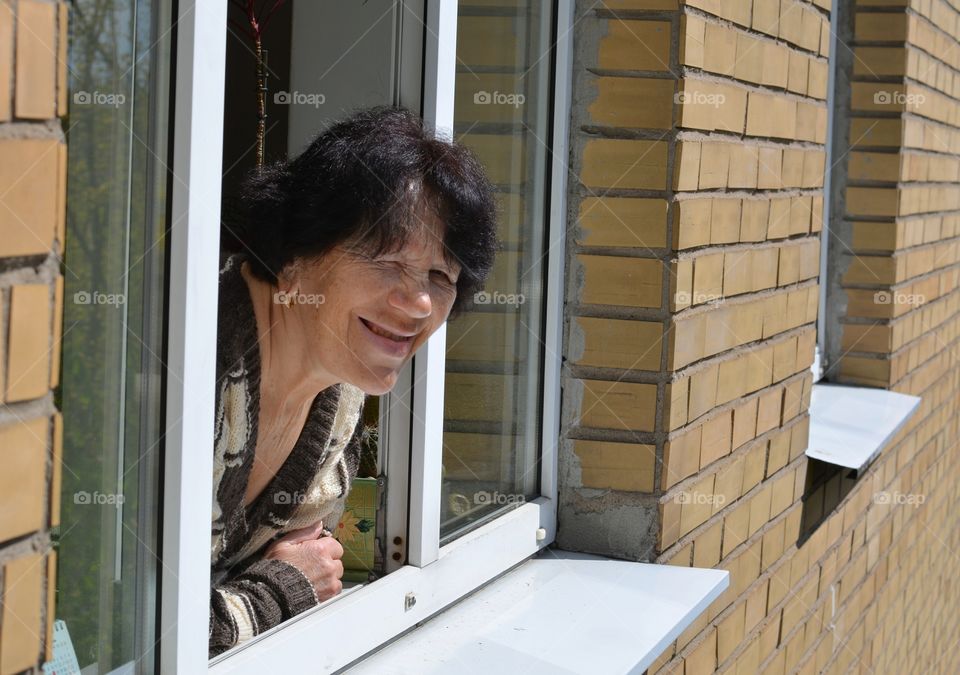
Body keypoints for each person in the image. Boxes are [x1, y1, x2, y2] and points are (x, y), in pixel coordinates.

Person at [208, 106, 497, 657]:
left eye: (441, 277)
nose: (418, 304)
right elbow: (133, 629)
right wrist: (283, 590)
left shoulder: (339, 388)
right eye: (387, 261)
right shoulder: (194, 360)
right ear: (294, 257)